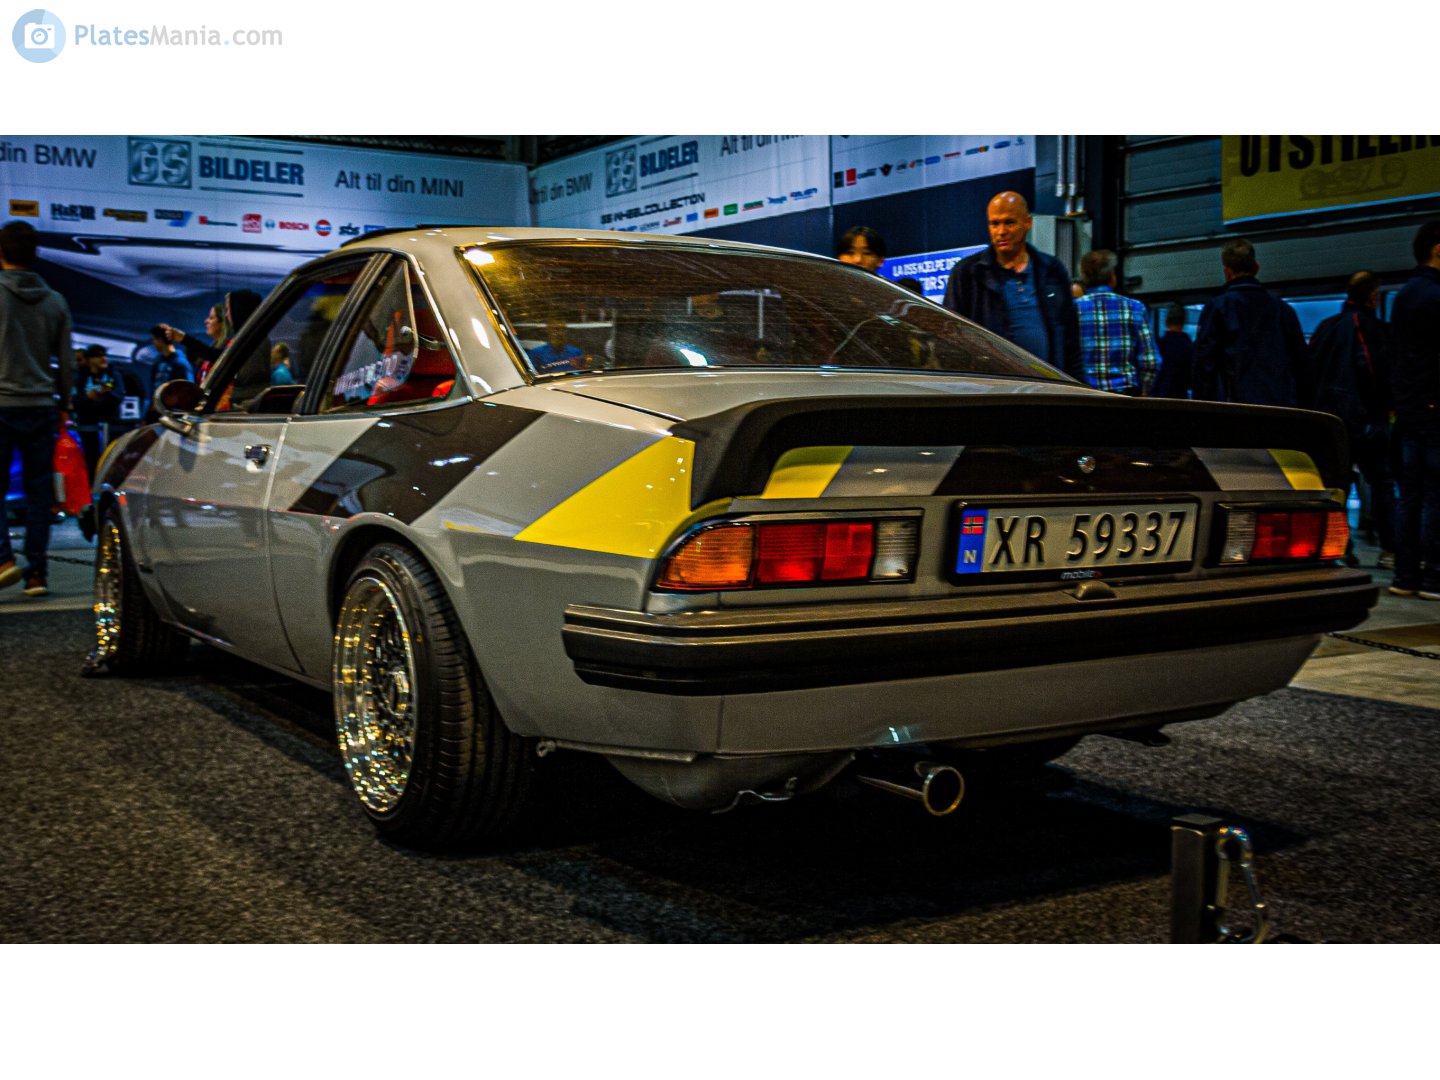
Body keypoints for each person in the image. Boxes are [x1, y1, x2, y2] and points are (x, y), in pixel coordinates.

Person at [0, 220, 73, 598]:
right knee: (40, 493)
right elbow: (66, 360)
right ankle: (36, 575)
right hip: (43, 406)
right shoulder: (56, 301)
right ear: (36, 254)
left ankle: (4, 560)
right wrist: (65, 403)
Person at [1303, 272, 1395, 567]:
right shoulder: (1372, 328)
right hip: (1366, 421)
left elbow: (1308, 372)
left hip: (1331, 423)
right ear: (1373, 297)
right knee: (1381, 484)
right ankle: (1390, 549)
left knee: (1338, 486)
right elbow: (1374, 372)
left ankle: (1340, 546)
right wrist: (1385, 409)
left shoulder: (1326, 328)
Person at [942, 191, 1081, 377]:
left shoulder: (1052, 270)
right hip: (995, 390)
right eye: (994, 224)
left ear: (1027, 223)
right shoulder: (967, 273)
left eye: (1009, 222)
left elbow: (1070, 339)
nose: (1001, 232)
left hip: (1050, 389)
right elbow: (952, 338)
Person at [1388, 221, 1440, 600]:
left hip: (1408, 407)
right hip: (1434, 406)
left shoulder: (1405, 295)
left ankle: (1405, 575)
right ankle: (1434, 576)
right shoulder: (1436, 294)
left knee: (1409, 493)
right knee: (1435, 493)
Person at [1193, 238, 1306, 406]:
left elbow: (1204, 365)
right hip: (1280, 409)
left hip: (1234, 410)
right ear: (1257, 268)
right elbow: (1301, 364)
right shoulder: (1283, 310)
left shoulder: (1217, 308)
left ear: (1227, 272)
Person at [1073, 249, 1160, 396]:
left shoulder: (1072, 310)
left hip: (1083, 394)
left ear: (1084, 277)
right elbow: (1150, 361)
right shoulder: (1135, 308)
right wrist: (1144, 390)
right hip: (1125, 394)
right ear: (1112, 277)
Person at [73, 343, 123, 481]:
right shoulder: (81, 378)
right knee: (91, 458)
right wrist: (88, 397)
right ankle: (92, 487)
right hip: (88, 424)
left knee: (112, 457)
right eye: (98, 356)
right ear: (89, 359)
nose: (103, 359)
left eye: (105, 355)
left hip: (111, 424)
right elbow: (74, 401)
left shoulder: (113, 375)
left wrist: (107, 393)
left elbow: (120, 396)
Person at [1153, 305, 1195, 399]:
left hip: (1160, 395)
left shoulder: (1159, 344)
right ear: (1183, 321)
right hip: (1180, 395)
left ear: (1166, 321)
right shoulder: (1188, 345)